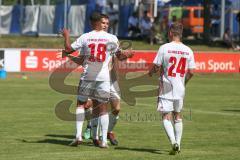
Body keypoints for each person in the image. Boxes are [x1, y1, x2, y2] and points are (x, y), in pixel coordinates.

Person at [60, 12, 119, 148]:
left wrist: (66, 35)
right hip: (104, 76)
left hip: (88, 75)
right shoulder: (112, 38)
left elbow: (68, 49)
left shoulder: (86, 37)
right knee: (103, 109)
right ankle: (104, 141)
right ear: (100, 22)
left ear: (92, 23)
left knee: (81, 104)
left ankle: (78, 136)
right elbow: (119, 55)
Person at [83, 14, 134, 145]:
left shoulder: (112, 39)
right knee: (90, 105)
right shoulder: (91, 38)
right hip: (95, 77)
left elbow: (119, 56)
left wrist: (126, 55)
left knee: (116, 109)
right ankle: (90, 126)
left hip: (112, 79)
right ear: (98, 23)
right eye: (103, 22)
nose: (105, 25)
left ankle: (108, 131)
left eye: (107, 23)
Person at [149, 22, 196, 155]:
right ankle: (178, 144)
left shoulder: (164, 48)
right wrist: (184, 82)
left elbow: (157, 66)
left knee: (165, 116)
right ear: (181, 34)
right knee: (178, 115)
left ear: (170, 32)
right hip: (180, 88)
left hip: (166, 87)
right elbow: (192, 71)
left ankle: (173, 142)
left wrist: (150, 72)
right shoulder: (188, 50)